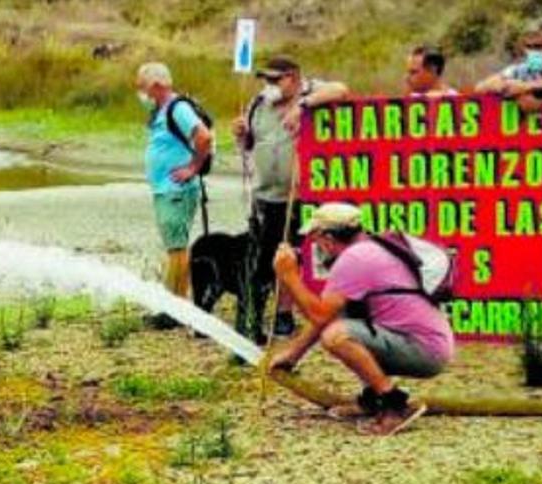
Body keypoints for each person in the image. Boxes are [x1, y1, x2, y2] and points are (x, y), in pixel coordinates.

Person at [269, 203, 454, 436]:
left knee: (337, 336)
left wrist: (290, 276)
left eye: (315, 240)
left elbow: (318, 315)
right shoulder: (367, 249)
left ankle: (395, 405)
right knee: (342, 319)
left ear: (328, 238)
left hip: (425, 350)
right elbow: (327, 314)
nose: (316, 247)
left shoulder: (355, 259)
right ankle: (373, 400)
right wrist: (292, 356)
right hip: (427, 343)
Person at [231, 56, 349, 340]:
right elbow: (249, 144)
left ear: (294, 77)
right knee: (266, 256)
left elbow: (342, 90)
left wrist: (302, 106)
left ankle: (287, 312)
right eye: (266, 80)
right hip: (266, 193)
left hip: (301, 194)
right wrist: (240, 134)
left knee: (296, 254)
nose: (269, 85)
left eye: (276, 79)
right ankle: (256, 315)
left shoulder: (311, 93)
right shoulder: (259, 104)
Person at [136, 62, 214, 329]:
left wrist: (193, 167)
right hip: (165, 189)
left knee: (177, 249)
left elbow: (203, 137)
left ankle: (176, 310)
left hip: (176, 191)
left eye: (143, 87)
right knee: (174, 247)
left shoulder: (177, 108)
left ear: (157, 86)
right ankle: (174, 303)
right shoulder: (161, 110)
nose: (141, 93)